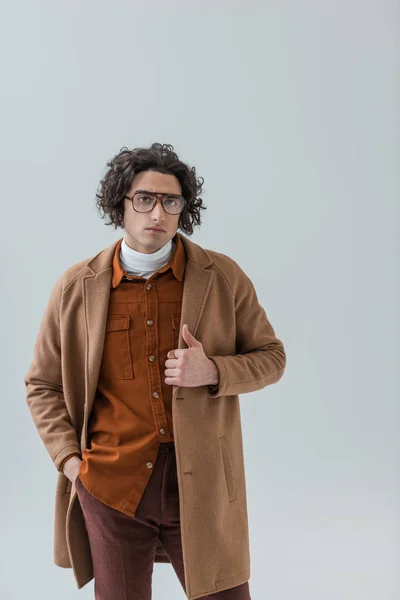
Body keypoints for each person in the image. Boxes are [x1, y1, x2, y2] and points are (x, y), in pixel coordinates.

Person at [24, 142, 286, 600]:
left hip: (201, 483)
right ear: (120, 205)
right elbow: (42, 384)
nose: (157, 213)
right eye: (144, 199)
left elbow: (272, 357)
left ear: (184, 209)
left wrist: (213, 371)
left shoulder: (221, 277)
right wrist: (70, 463)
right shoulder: (76, 286)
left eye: (171, 201)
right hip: (109, 483)